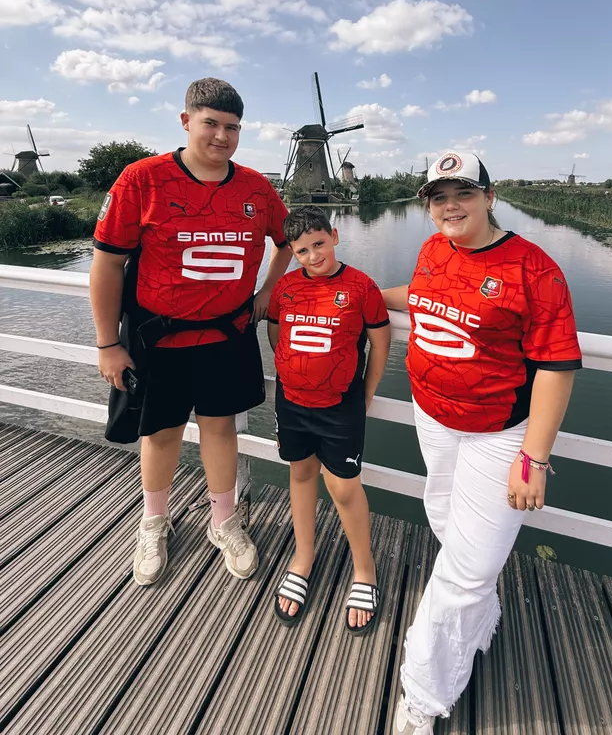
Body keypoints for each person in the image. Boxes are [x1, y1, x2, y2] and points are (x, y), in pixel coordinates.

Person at [383, 151, 582, 734]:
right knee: (445, 518)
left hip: (498, 433)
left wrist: (534, 456)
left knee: (469, 568)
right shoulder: (432, 249)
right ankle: (477, 618)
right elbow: (421, 297)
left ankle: (422, 695)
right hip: (433, 416)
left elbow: (556, 366)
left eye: (463, 193)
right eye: (438, 197)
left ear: (490, 198)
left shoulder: (534, 269)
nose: (450, 206)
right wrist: (357, 291)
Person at [90, 78, 292, 586]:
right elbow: (107, 264)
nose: (222, 136)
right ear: (186, 121)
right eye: (211, 124)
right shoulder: (142, 179)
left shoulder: (255, 187)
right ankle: (153, 522)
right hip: (160, 338)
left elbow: (288, 239)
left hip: (228, 334)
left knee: (221, 429)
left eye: (233, 127)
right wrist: (108, 343)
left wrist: (269, 289)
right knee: (161, 433)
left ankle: (223, 522)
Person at [267, 207, 391, 634]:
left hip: (340, 406)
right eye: (302, 250)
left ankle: (364, 569)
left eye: (319, 244)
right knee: (301, 473)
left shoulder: (361, 286)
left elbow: (380, 343)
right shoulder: (285, 287)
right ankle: (304, 557)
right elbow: (275, 333)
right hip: (292, 402)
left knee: (343, 487)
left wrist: (367, 390)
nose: (313, 255)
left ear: (334, 236)